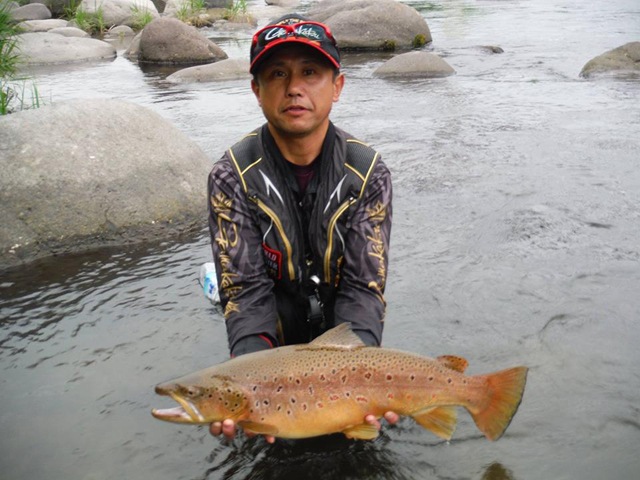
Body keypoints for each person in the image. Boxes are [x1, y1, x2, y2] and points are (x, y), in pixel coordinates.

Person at [207, 13, 396, 443]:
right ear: (256, 90)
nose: (294, 87)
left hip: (346, 337)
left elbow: (365, 287)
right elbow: (244, 291)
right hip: (272, 339)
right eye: (278, 74)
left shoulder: (368, 173)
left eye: (310, 72)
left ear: (338, 86)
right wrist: (252, 387)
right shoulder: (230, 176)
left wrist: (362, 374)